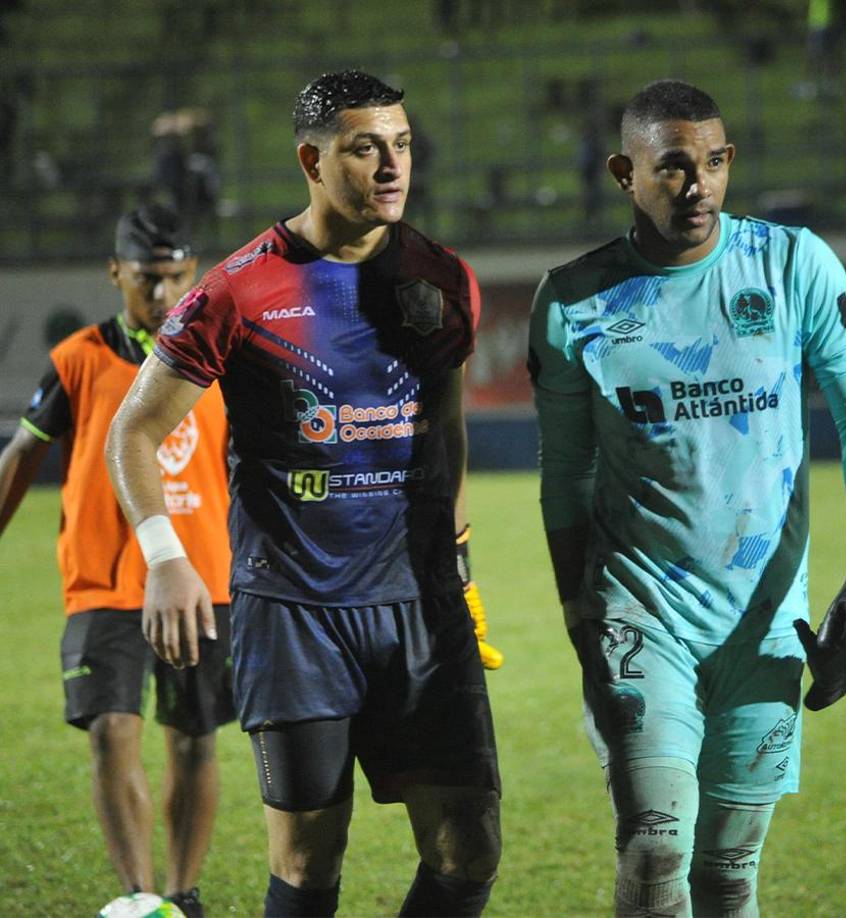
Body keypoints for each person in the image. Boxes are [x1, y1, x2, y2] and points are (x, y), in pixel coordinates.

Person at [105, 71, 501, 917]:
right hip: (294, 612)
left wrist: (457, 559)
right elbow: (131, 431)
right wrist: (167, 559)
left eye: (400, 144)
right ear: (311, 161)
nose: (393, 165)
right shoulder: (241, 288)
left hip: (420, 606)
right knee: (309, 858)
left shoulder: (442, 278)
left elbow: (447, 430)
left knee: (469, 846)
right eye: (366, 148)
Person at [528, 79, 846, 917]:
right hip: (638, 611)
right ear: (623, 174)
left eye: (712, 162)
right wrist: (574, 608)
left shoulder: (791, 263)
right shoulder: (573, 299)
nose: (697, 184)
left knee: (729, 871)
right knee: (655, 843)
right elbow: (566, 472)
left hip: (767, 618)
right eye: (671, 167)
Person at [0, 205, 230, 918]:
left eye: (171, 279)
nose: (160, 296)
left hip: (203, 579)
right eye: (144, 280)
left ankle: (182, 894)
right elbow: (21, 456)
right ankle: (138, 897)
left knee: (193, 741)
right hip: (103, 581)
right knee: (111, 729)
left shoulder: (223, 359)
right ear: (115, 274)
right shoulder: (77, 358)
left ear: (190, 274)